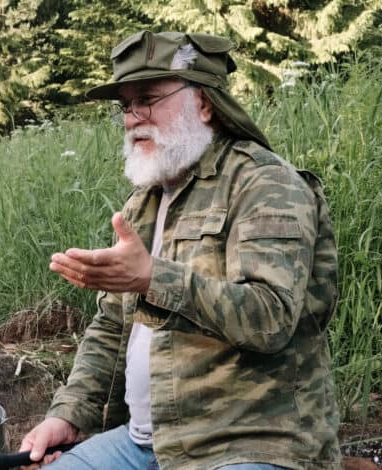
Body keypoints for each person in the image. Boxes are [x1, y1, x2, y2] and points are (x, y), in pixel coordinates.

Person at [20, 31, 341, 469]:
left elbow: (271, 316)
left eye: (148, 98)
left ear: (205, 104)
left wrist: (153, 278)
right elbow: (114, 325)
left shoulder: (265, 183)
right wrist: (68, 414)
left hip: (249, 440)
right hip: (147, 442)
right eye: (125, 105)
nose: (133, 118)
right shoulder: (144, 202)